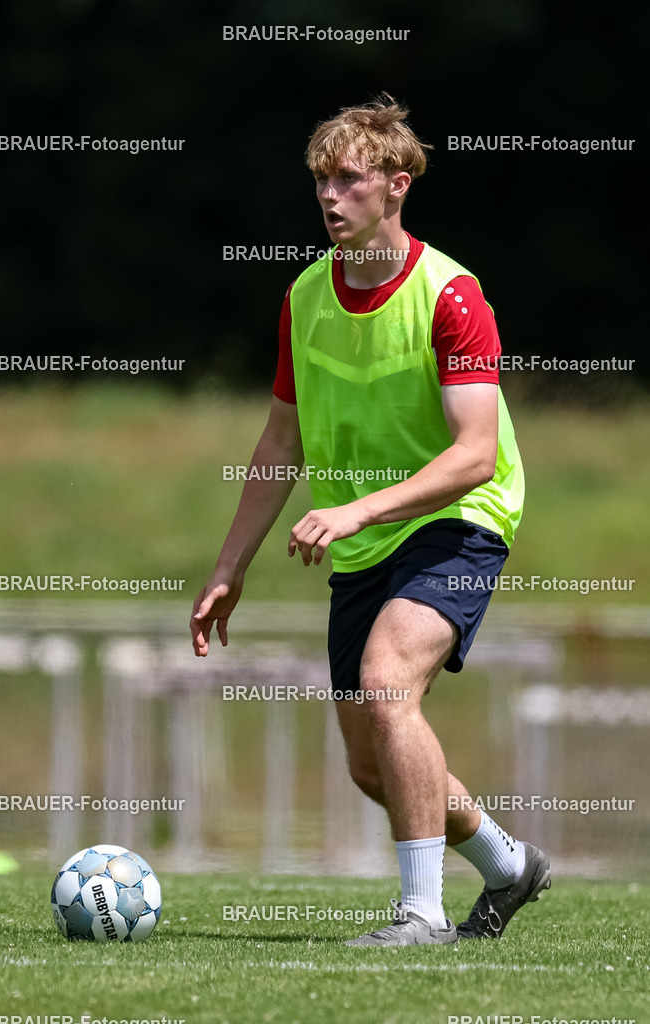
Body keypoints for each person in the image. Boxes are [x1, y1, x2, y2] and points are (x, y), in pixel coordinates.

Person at [190, 95, 551, 946]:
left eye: (347, 179)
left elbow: (471, 454)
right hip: (367, 536)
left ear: (395, 187)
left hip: (460, 515)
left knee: (389, 682)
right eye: (320, 179)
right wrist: (227, 565)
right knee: (370, 761)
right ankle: (508, 866)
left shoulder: (452, 295)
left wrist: (355, 508)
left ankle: (419, 915)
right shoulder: (305, 295)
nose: (328, 196)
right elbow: (280, 437)